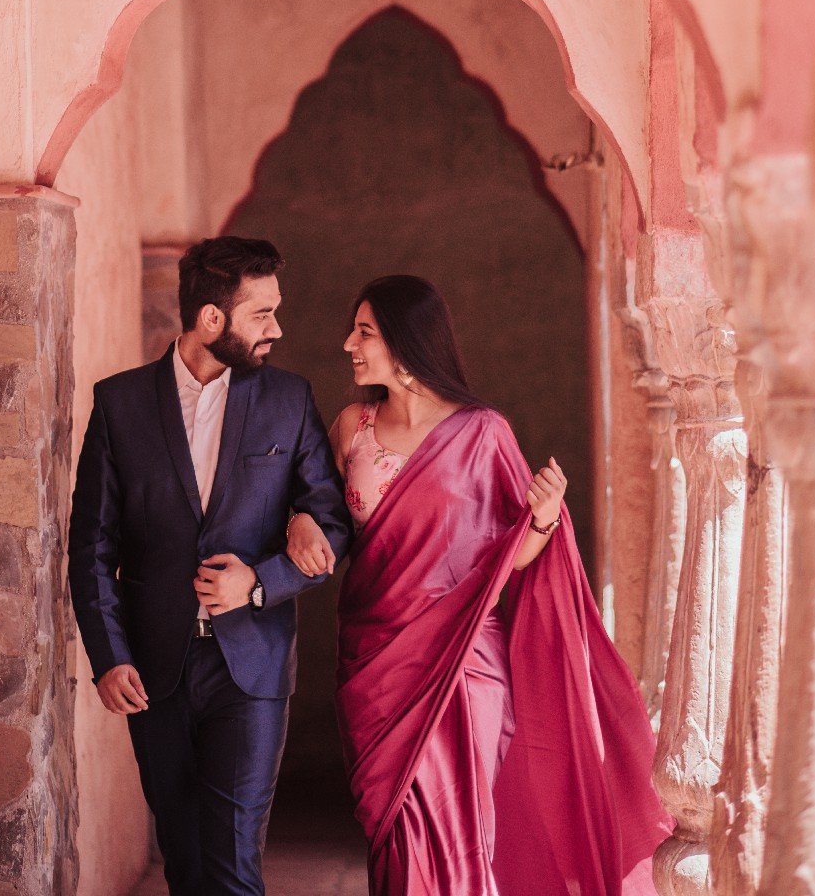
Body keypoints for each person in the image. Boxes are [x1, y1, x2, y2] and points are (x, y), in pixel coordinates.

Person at [287, 274, 671, 896]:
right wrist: (302, 516)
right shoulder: (350, 428)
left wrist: (544, 517)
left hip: (465, 661)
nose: (348, 344)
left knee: (455, 823)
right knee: (397, 825)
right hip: (374, 662)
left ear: (405, 343)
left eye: (365, 332)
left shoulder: (483, 432)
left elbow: (511, 556)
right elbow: (320, 511)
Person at [68, 236, 352, 896]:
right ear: (211, 320)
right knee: (185, 858)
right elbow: (91, 546)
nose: (277, 329)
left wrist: (260, 580)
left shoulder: (287, 399)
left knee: (230, 860)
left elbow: (330, 525)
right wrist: (110, 656)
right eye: (262, 313)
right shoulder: (120, 405)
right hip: (153, 669)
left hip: (248, 669)